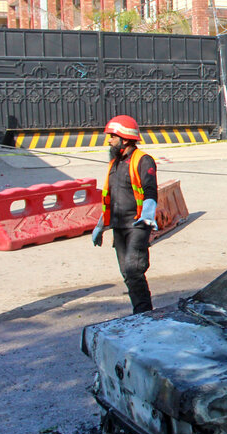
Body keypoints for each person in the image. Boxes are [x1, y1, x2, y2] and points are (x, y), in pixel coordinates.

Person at [91, 115, 159, 314]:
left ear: (126, 138)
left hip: (138, 224)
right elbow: (111, 199)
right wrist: (100, 226)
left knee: (133, 268)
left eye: (113, 136)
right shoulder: (115, 164)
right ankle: (141, 312)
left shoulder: (143, 160)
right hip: (119, 226)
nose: (109, 140)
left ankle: (143, 314)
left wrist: (147, 215)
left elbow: (150, 190)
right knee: (128, 274)